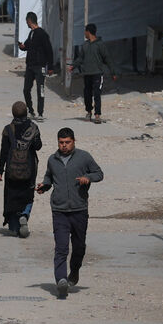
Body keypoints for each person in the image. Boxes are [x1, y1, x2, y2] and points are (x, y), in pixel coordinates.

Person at [36, 127, 103, 298]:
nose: (64, 146)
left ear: (74, 141)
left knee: (79, 247)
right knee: (61, 248)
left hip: (79, 209)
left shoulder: (84, 157)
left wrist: (88, 178)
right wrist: (44, 186)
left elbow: (99, 173)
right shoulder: (52, 159)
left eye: (67, 142)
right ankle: (61, 280)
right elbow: (49, 178)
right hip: (59, 210)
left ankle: (74, 271)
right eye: (61, 142)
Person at [0, 101, 43, 238]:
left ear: (13, 113)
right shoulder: (34, 128)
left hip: (11, 171)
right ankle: (24, 214)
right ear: (26, 113)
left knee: (11, 196)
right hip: (29, 169)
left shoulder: (8, 129)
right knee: (28, 195)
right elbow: (38, 146)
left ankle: (13, 227)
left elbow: (4, 151)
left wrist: (1, 169)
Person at [74, 23, 116, 123]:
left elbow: (107, 58)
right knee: (87, 94)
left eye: (85, 31)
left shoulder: (100, 44)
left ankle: (97, 114)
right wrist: (73, 66)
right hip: (87, 73)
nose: (84, 33)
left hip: (97, 73)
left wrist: (113, 72)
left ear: (88, 32)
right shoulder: (85, 45)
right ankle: (89, 112)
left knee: (97, 94)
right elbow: (80, 58)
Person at [18, 11, 54, 119]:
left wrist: (50, 66)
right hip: (30, 66)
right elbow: (28, 45)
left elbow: (49, 50)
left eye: (27, 22)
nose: (27, 24)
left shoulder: (42, 34)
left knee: (40, 89)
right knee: (26, 89)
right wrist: (22, 47)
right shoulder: (31, 33)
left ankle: (40, 113)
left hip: (40, 66)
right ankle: (30, 110)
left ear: (29, 21)